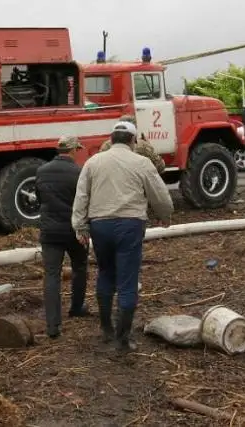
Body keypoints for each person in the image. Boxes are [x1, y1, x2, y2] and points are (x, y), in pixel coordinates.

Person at [71, 121, 174, 352]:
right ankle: (123, 339)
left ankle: (106, 328)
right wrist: (165, 215)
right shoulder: (141, 162)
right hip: (130, 225)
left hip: (100, 225)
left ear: (111, 139)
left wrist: (80, 227)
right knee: (127, 280)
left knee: (105, 273)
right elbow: (159, 195)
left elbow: (82, 195)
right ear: (132, 140)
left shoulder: (93, 162)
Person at [34, 135, 90, 339]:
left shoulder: (41, 171)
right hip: (74, 230)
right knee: (80, 267)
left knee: (51, 275)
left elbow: (39, 198)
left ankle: (52, 325)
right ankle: (76, 307)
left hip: (50, 232)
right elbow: (85, 201)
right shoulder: (79, 172)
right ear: (73, 150)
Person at [98, 114, 166, 174]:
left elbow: (99, 166)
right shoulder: (143, 145)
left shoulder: (106, 145)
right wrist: (149, 145)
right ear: (134, 129)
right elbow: (160, 166)